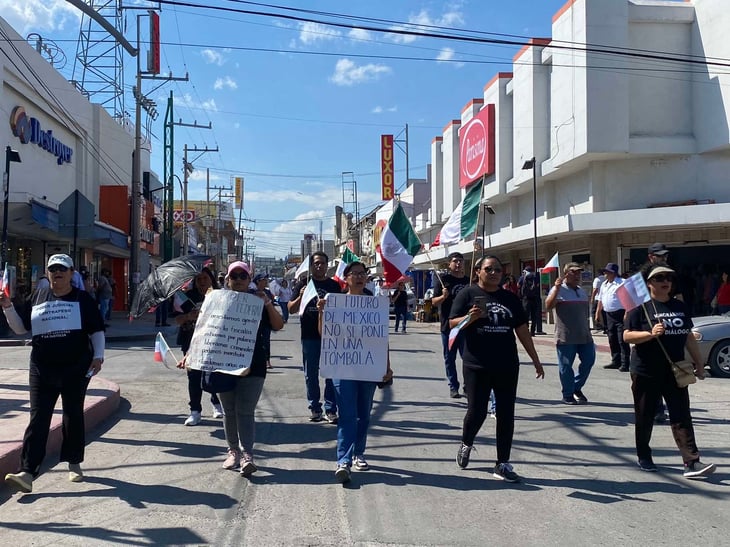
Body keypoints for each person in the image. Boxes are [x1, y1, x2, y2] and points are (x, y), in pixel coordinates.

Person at [2, 254, 105, 493]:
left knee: (72, 415)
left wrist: (98, 356)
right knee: (38, 418)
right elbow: (21, 328)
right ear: (48, 274)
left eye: (62, 269)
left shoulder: (82, 300)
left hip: (75, 368)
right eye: (53, 269)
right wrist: (7, 307)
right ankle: (27, 472)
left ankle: (73, 462)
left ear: (71, 274)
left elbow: (96, 330)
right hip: (41, 368)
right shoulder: (37, 296)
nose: (57, 272)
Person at [450, 255, 544, 483]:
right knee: (477, 411)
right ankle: (466, 442)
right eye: (489, 269)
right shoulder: (468, 294)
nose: (494, 273)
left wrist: (535, 359)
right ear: (478, 272)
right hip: (476, 365)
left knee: (505, 414)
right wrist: (469, 318)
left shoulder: (510, 298)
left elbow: (521, 330)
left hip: (507, 364)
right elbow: (453, 324)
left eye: (498, 270)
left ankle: (502, 463)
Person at [623, 265, 716, 479]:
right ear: (649, 284)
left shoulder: (679, 307)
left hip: (675, 370)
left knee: (681, 414)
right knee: (645, 416)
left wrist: (699, 363)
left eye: (669, 278)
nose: (666, 281)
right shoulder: (641, 307)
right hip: (645, 371)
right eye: (659, 278)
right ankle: (644, 456)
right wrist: (649, 333)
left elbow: (688, 336)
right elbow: (627, 336)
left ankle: (691, 462)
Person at [317, 261, 393, 483]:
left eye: (363, 274)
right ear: (346, 277)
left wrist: (386, 366)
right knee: (347, 415)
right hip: (343, 367)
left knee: (363, 414)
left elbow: (382, 339)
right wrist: (322, 313)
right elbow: (324, 334)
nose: (360, 277)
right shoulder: (334, 301)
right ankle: (344, 459)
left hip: (368, 368)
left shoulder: (374, 304)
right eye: (355, 274)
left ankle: (359, 452)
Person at [215, 261, 283, 476]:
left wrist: (268, 304)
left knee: (245, 411)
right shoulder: (218, 301)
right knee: (228, 411)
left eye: (242, 276)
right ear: (228, 279)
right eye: (233, 276)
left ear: (249, 279)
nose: (238, 280)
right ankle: (232, 451)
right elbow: (204, 330)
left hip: (254, 363)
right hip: (224, 363)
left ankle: (247, 455)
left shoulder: (258, 301)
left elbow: (278, 325)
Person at [288, 251, 341, 423]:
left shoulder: (334, 286)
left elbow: (342, 311)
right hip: (309, 336)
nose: (319, 266)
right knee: (311, 374)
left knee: (331, 374)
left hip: (331, 337)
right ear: (311, 266)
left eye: (322, 263)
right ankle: (315, 408)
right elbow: (290, 309)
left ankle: (330, 409)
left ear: (327, 266)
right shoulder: (304, 284)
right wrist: (302, 295)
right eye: (316, 263)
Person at [175, 267, 223, 425]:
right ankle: (195, 411)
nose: (202, 282)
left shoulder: (220, 296)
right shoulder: (186, 297)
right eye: (199, 279)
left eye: (205, 278)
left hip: (215, 342)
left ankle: (217, 404)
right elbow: (176, 319)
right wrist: (189, 316)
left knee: (214, 374)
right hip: (190, 342)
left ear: (211, 280)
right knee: (194, 377)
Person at [545, 263, 596, 405]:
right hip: (566, 336)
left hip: (584, 335)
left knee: (589, 361)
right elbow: (548, 306)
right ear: (566, 274)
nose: (577, 275)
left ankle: (576, 387)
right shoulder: (559, 290)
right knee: (566, 366)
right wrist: (556, 288)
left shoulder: (581, 291)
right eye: (574, 272)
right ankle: (567, 394)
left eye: (579, 273)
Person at [431, 252, 469, 398]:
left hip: (465, 325)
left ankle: (468, 385)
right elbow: (434, 302)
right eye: (455, 261)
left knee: (467, 358)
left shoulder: (468, 281)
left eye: (460, 261)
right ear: (449, 264)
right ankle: (453, 386)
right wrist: (443, 296)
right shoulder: (443, 281)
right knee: (449, 358)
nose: (458, 264)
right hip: (448, 326)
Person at [595, 263, 630, 371]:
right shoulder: (604, 284)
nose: (605, 274)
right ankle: (616, 361)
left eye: (607, 272)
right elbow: (601, 299)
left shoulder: (622, 283)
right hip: (608, 314)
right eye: (605, 272)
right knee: (612, 338)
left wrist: (626, 314)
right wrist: (598, 312)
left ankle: (625, 363)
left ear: (613, 273)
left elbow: (628, 300)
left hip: (620, 313)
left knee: (622, 339)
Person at [252, 273, 274, 369]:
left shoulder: (268, 292)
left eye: (266, 280)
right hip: (254, 322)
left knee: (266, 341)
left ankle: (267, 360)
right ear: (258, 281)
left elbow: (271, 305)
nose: (266, 282)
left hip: (266, 321)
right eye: (263, 280)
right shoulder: (252, 292)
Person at [520, 269, 544, 336]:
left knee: (526, 315)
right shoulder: (535, 277)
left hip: (526, 299)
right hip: (534, 298)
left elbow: (519, 286)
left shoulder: (523, 277)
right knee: (534, 316)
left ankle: (526, 330)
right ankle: (532, 331)